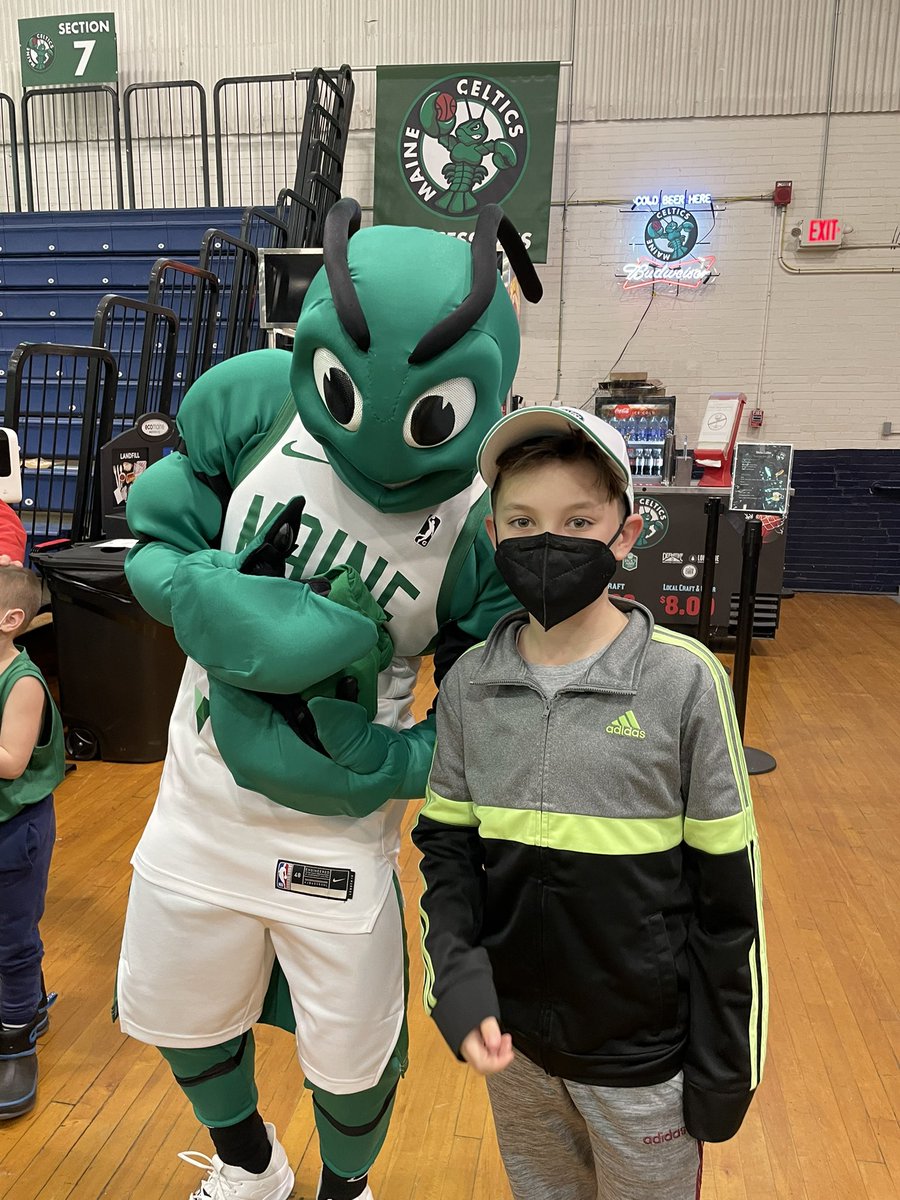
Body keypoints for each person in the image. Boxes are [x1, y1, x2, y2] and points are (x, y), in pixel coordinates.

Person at [114, 200, 541, 1200]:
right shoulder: (262, 410)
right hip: (201, 798)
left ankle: (346, 1193)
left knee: (351, 1054)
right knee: (179, 1013)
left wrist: (392, 766)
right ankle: (251, 1164)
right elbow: (157, 539)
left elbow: (489, 701)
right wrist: (216, 601)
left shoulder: (480, 521)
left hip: (341, 833)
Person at [412, 405, 768, 1200]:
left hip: (647, 1062)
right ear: (493, 537)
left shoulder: (685, 682)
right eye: (522, 520)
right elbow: (445, 856)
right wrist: (462, 987)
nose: (548, 541)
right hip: (517, 1051)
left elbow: (729, 893)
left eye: (578, 519)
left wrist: (724, 1062)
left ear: (626, 533)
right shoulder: (471, 684)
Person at [0, 566, 65, 1120]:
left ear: (10, 621)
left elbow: (10, 761)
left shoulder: (22, 682)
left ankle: (16, 1036)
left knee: (12, 937)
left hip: (14, 831)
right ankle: (27, 1002)